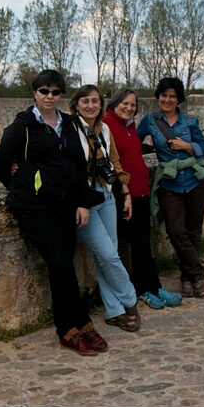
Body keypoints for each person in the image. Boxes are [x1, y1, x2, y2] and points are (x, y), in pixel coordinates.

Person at [0, 70, 108, 356]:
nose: (49, 97)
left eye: (56, 92)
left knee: (63, 264)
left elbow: (80, 165)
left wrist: (82, 202)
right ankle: (73, 326)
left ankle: (75, 327)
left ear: (61, 96)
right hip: (35, 208)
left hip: (66, 206)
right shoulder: (23, 126)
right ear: (35, 93)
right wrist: (19, 186)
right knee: (60, 262)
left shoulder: (68, 123)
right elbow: (0, 161)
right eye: (44, 91)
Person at [137, 77, 204, 299]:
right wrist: (146, 149)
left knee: (193, 230)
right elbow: (133, 141)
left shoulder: (190, 121)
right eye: (164, 95)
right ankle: (198, 272)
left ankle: (187, 277)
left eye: (172, 96)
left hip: (196, 180)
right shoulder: (150, 120)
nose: (167, 99)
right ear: (158, 97)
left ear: (179, 99)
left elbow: (203, 148)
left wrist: (186, 146)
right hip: (169, 182)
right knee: (175, 231)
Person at [68, 85, 141, 332]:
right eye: (85, 101)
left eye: (95, 101)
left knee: (107, 255)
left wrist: (126, 193)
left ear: (101, 104)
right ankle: (130, 299)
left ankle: (114, 311)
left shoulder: (105, 129)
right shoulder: (68, 129)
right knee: (108, 255)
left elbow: (115, 162)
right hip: (83, 200)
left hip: (106, 195)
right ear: (76, 104)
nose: (91, 105)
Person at [103, 88, 183, 309]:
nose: (129, 108)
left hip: (140, 192)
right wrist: (124, 191)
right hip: (124, 195)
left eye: (133, 105)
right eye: (125, 104)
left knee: (143, 243)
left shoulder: (129, 126)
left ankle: (153, 287)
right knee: (137, 243)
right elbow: (111, 162)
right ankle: (142, 289)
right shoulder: (106, 126)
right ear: (114, 103)